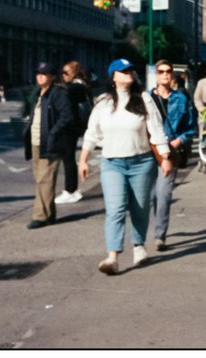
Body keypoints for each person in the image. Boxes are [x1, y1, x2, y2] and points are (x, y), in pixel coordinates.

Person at [78, 58, 172, 275]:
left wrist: (165, 157)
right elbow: (92, 134)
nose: (128, 73)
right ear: (113, 77)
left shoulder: (144, 100)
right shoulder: (103, 104)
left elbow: (156, 130)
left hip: (141, 162)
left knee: (139, 208)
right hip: (113, 164)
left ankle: (138, 245)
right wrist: (83, 160)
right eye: (123, 71)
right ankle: (113, 256)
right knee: (115, 208)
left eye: (130, 70)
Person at [147, 60, 197, 251]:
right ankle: (155, 224)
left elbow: (191, 127)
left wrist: (178, 141)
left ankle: (160, 235)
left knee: (164, 194)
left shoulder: (181, 99)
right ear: (156, 75)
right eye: (161, 71)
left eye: (169, 71)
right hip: (150, 150)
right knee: (151, 194)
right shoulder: (147, 99)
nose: (165, 74)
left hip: (171, 150)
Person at [23, 62, 75, 229]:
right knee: (40, 179)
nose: (39, 76)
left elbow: (67, 116)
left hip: (51, 142)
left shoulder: (58, 93)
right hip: (36, 141)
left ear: (52, 77)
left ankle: (40, 216)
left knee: (45, 180)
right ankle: (50, 214)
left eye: (44, 74)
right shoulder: (38, 93)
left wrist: (53, 133)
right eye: (38, 73)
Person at [54, 61, 92, 205]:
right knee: (68, 157)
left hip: (71, 126)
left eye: (66, 72)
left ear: (74, 72)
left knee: (68, 157)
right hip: (75, 126)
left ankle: (70, 190)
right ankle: (71, 190)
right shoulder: (81, 85)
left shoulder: (76, 87)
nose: (63, 76)